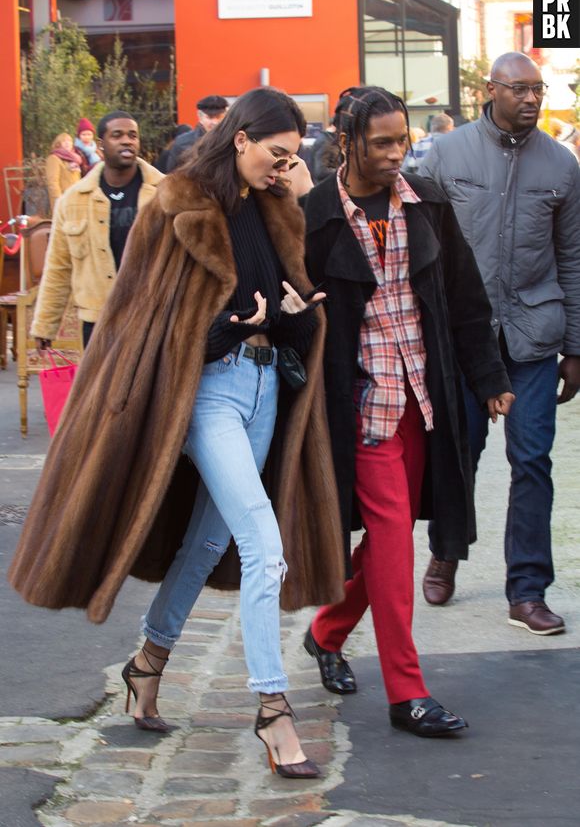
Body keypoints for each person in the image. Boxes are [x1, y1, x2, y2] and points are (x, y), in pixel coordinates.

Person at [9, 87, 345, 778]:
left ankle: (148, 662)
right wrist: (229, 327)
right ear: (242, 137)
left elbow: (301, 310)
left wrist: (290, 313)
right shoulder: (178, 204)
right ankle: (273, 709)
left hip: (262, 391)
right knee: (263, 543)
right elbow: (140, 320)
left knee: (211, 538)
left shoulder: (279, 207)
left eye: (292, 161)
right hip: (206, 396)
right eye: (276, 156)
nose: (283, 170)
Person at [301, 85, 513, 737]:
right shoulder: (314, 215)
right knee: (392, 537)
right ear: (347, 141)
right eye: (384, 142)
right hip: (360, 403)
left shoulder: (428, 204)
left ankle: (326, 630)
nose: (400, 154)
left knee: (394, 541)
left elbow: (464, 295)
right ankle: (407, 692)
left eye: (404, 141)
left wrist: (488, 375)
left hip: (427, 397)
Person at [419, 52, 580, 634]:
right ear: (491, 90)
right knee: (460, 454)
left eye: (539, 90)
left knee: (532, 460)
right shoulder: (447, 154)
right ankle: (446, 550)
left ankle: (528, 589)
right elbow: (422, 249)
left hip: (534, 339)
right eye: (520, 89)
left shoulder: (562, 166)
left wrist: (577, 348)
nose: (532, 99)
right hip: (464, 336)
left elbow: (573, 258)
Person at [32, 110, 163, 351]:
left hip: (153, 317)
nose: (127, 140)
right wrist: (45, 325)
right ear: (100, 145)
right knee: (99, 390)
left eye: (132, 135)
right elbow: (58, 267)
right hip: (98, 320)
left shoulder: (164, 192)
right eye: (118, 135)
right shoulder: (72, 201)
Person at [166, 94, 229, 171]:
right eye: (210, 117)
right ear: (200, 117)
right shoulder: (182, 143)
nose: (215, 122)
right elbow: (172, 175)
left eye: (219, 117)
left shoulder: (232, 142)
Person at [45, 133, 82, 213]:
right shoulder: (54, 158)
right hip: (63, 203)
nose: (67, 143)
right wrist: (59, 201)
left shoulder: (74, 160)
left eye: (69, 141)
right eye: (64, 141)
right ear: (58, 144)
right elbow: (52, 182)